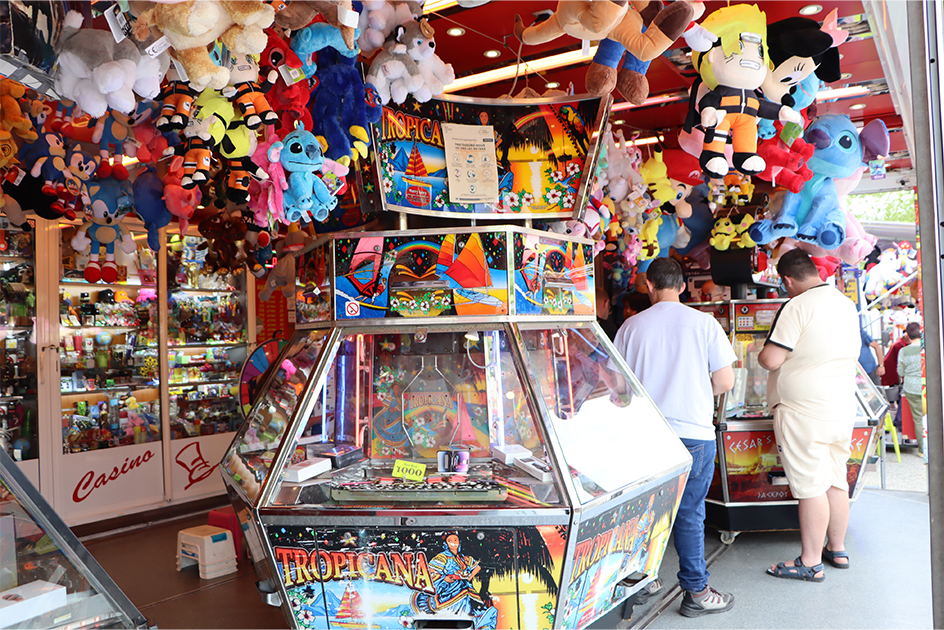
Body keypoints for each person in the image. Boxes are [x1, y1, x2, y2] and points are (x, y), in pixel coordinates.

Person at [611, 257, 736, 617]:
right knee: (690, 513)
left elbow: (618, 386)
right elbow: (725, 381)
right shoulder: (704, 323)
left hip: (646, 435)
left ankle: (641, 581)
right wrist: (696, 391)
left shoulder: (631, 328)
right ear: (682, 286)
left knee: (643, 511)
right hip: (694, 434)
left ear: (648, 286)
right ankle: (696, 591)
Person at [757, 249, 860, 582]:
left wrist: (761, 352)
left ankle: (811, 562)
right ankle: (838, 548)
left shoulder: (796, 306)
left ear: (786, 279)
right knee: (835, 479)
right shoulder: (845, 303)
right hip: (842, 407)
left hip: (803, 411)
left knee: (810, 487)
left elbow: (771, 359)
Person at [897, 323, 925, 459]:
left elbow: (900, 371)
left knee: (918, 419)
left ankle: (922, 450)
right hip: (928, 386)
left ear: (907, 335)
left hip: (911, 387)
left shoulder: (903, 351)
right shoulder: (928, 348)